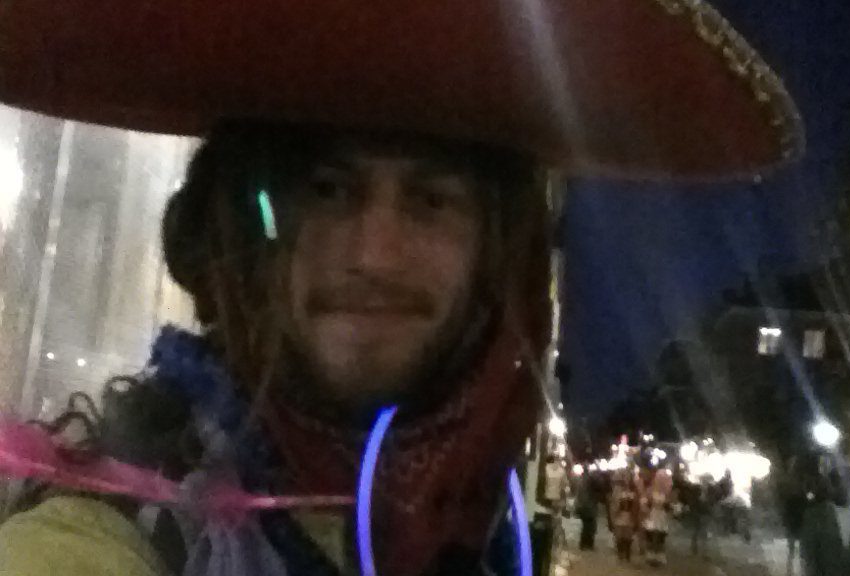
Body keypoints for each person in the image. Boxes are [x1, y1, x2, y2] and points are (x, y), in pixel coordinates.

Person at [0, 1, 802, 575]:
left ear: (499, 258)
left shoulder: (475, 529)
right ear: (240, 235)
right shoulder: (95, 550)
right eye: (324, 189)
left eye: (430, 200)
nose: (376, 256)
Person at [800, 458, 850, 576]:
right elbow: (809, 557)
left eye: (845, 480)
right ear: (829, 485)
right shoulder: (815, 516)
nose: (841, 485)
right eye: (836, 481)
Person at [609, 470, 639, 563]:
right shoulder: (617, 491)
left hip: (629, 516)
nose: (626, 479)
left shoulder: (634, 491)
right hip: (619, 515)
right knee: (619, 536)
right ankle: (620, 553)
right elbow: (613, 504)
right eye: (625, 477)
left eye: (628, 477)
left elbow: (636, 505)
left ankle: (627, 554)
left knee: (628, 536)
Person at [574, 468, 601, 551]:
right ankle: (588, 544)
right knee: (590, 526)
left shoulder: (581, 481)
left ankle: (584, 543)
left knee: (586, 525)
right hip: (589, 507)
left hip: (583, 506)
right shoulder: (589, 482)